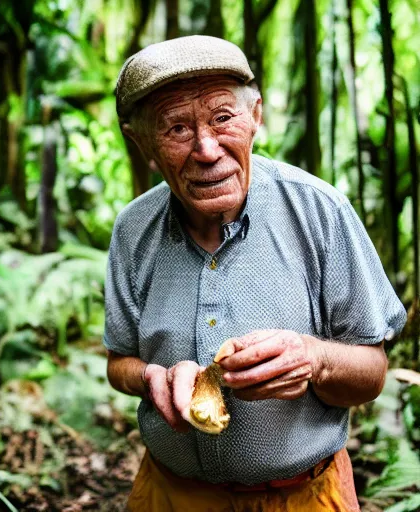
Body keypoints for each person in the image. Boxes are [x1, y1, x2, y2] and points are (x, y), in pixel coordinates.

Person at [103, 35, 406, 512]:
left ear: (256, 117)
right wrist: (152, 378)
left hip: (303, 497)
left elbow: (372, 372)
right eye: (177, 128)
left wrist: (312, 359)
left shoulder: (319, 211)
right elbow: (118, 361)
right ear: (143, 143)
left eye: (223, 118)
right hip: (170, 494)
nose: (207, 149)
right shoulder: (133, 229)